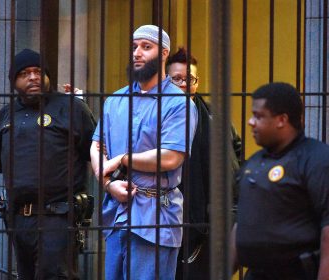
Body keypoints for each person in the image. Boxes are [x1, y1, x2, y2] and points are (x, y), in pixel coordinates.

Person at [90, 25, 198, 280]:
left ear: (163, 53)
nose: (137, 53)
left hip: (156, 216)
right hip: (117, 211)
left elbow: (171, 156)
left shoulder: (178, 103)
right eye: (134, 47)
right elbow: (96, 146)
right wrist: (107, 184)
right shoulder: (115, 100)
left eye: (145, 47)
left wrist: (123, 159)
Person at [0, 48, 96, 279]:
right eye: (25, 73)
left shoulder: (70, 108)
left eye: (38, 71)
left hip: (57, 217)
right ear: (14, 80)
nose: (33, 77)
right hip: (18, 219)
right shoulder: (6, 114)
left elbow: (97, 153)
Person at [231, 82, 329, 280]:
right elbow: (242, 223)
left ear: (282, 119)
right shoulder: (255, 161)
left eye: (258, 116)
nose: (250, 122)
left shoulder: (316, 159)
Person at [166, 47, 241, 280]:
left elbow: (235, 153)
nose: (183, 84)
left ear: (197, 82)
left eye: (189, 78)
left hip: (212, 217)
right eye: (176, 79)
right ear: (165, 81)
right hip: (167, 215)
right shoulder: (153, 115)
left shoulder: (214, 117)